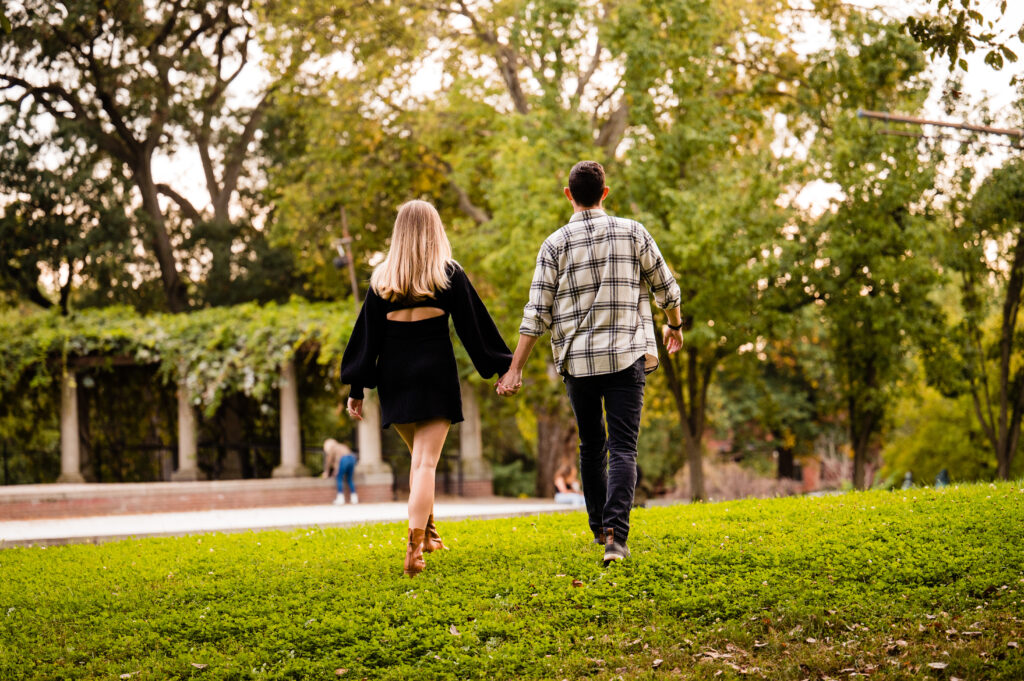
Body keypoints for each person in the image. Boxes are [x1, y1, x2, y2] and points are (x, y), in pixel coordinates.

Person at [496, 160, 683, 565]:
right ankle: (617, 537)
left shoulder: (554, 244)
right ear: (605, 193)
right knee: (623, 448)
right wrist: (675, 326)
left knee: (591, 445)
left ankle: (600, 527)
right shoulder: (634, 232)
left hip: (578, 364)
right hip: (624, 356)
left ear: (569, 195)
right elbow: (667, 288)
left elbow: (536, 313)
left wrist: (516, 368)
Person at [341, 200, 512, 577]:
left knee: (420, 464)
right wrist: (503, 368)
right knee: (425, 464)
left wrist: (357, 388)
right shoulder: (447, 274)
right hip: (435, 376)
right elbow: (474, 327)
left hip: (395, 379)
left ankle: (430, 533)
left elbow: (366, 338)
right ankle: (413, 549)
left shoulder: (383, 279)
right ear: (435, 230)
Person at [322, 438, 358, 505]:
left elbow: (329, 461)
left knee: (339, 478)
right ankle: (354, 498)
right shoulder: (342, 446)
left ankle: (340, 498)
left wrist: (326, 471)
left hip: (343, 460)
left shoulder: (333, 448)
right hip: (352, 459)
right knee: (349, 479)